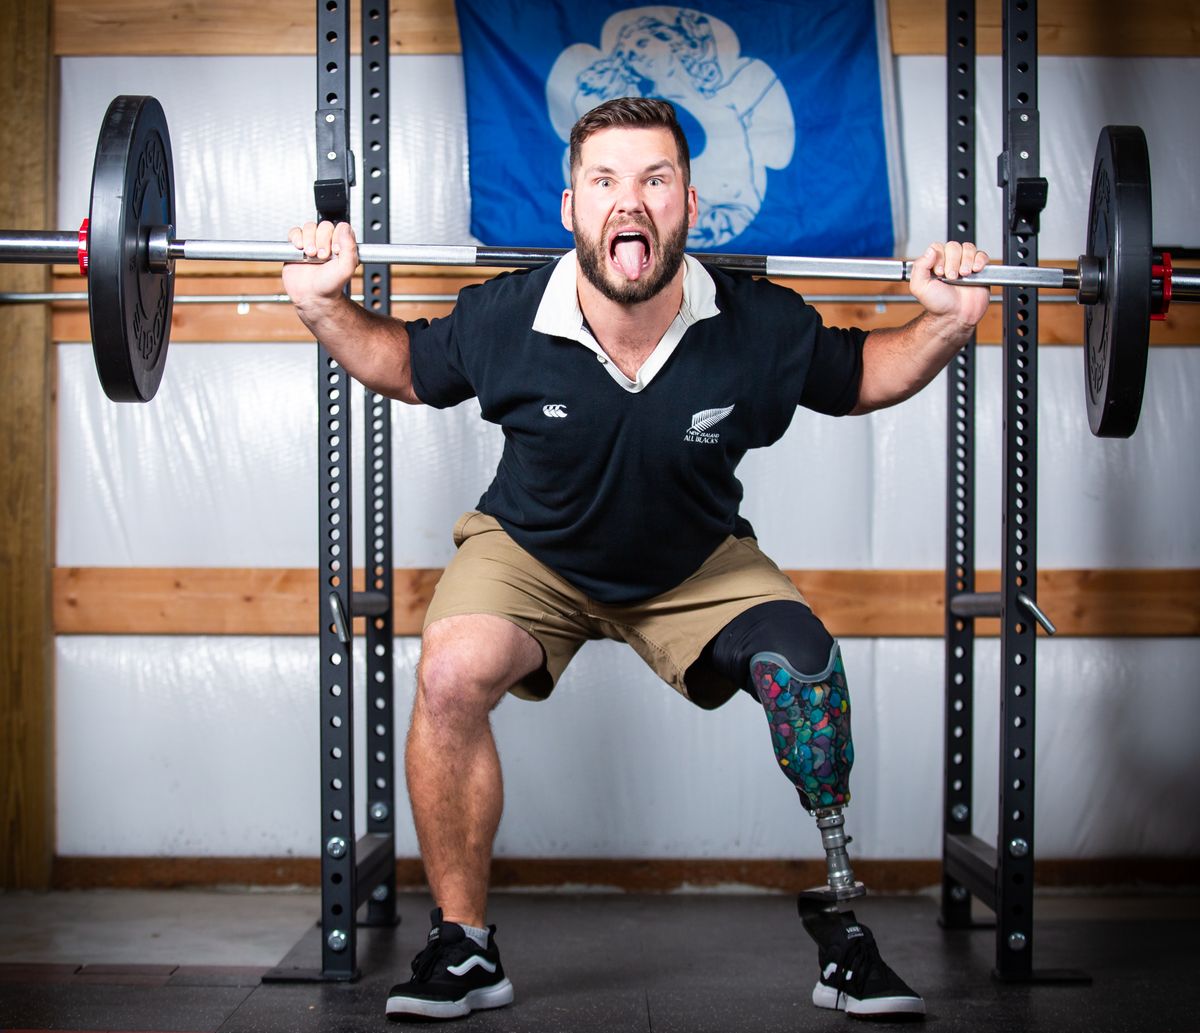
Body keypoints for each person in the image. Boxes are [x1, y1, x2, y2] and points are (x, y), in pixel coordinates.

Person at [284, 96, 990, 1022]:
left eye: (655, 180)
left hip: (696, 560)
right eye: (606, 181)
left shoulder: (754, 323)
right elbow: (406, 366)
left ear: (690, 205)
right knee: (450, 672)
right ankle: (463, 947)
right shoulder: (508, 315)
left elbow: (863, 376)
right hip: (533, 553)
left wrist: (946, 319)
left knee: (808, 673)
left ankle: (846, 925)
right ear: (570, 206)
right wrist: (324, 305)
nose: (631, 201)